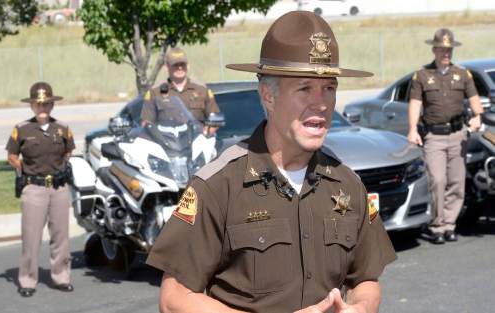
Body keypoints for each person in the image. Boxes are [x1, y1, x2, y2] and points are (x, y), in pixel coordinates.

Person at [146, 11, 396, 313]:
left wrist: (360, 308)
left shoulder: (347, 183)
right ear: (268, 96)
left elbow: (366, 279)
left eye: (329, 88)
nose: (322, 103)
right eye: (305, 88)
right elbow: (174, 299)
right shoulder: (218, 186)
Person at [407, 29, 484, 244]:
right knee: (438, 181)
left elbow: (475, 99)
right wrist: (412, 129)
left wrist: (478, 116)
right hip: (434, 136)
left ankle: (450, 224)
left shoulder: (462, 74)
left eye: (449, 49)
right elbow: (415, 104)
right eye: (442, 49)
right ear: (434, 49)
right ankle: (437, 226)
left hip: (458, 135)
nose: (446, 53)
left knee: (457, 183)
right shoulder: (422, 75)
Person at [6, 82, 75, 297]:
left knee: (61, 236)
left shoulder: (62, 128)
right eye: (38, 104)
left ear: (52, 105)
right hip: (34, 188)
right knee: (31, 237)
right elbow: (11, 156)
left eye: (46, 104)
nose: (42, 108)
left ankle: (61, 277)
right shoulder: (22, 129)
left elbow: (68, 152)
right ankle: (27, 280)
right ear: (32, 106)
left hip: (58, 188)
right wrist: (25, 170)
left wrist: (59, 169)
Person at [141, 47, 220, 136]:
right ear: (166, 67)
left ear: (188, 66)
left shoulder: (202, 90)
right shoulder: (155, 92)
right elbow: (146, 123)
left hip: (198, 142)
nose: (179, 68)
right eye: (175, 64)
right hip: (167, 144)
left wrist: (205, 134)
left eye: (183, 64)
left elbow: (215, 119)